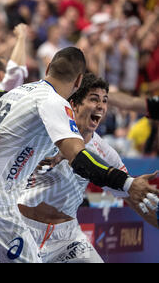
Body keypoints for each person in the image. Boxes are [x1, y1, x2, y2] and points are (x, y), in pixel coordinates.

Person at [0, 47, 159, 263]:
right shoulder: (55, 102)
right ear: (78, 82)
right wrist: (129, 183)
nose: (100, 107)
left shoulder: (21, 92)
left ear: (48, 68)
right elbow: (81, 160)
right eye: (94, 99)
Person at [17, 73, 158, 264]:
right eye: (94, 99)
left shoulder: (106, 153)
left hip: (67, 238)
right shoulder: (44, 133)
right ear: (74, 104)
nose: (101, 106)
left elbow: (131, 196)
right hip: (24, 229)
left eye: (105, 101)